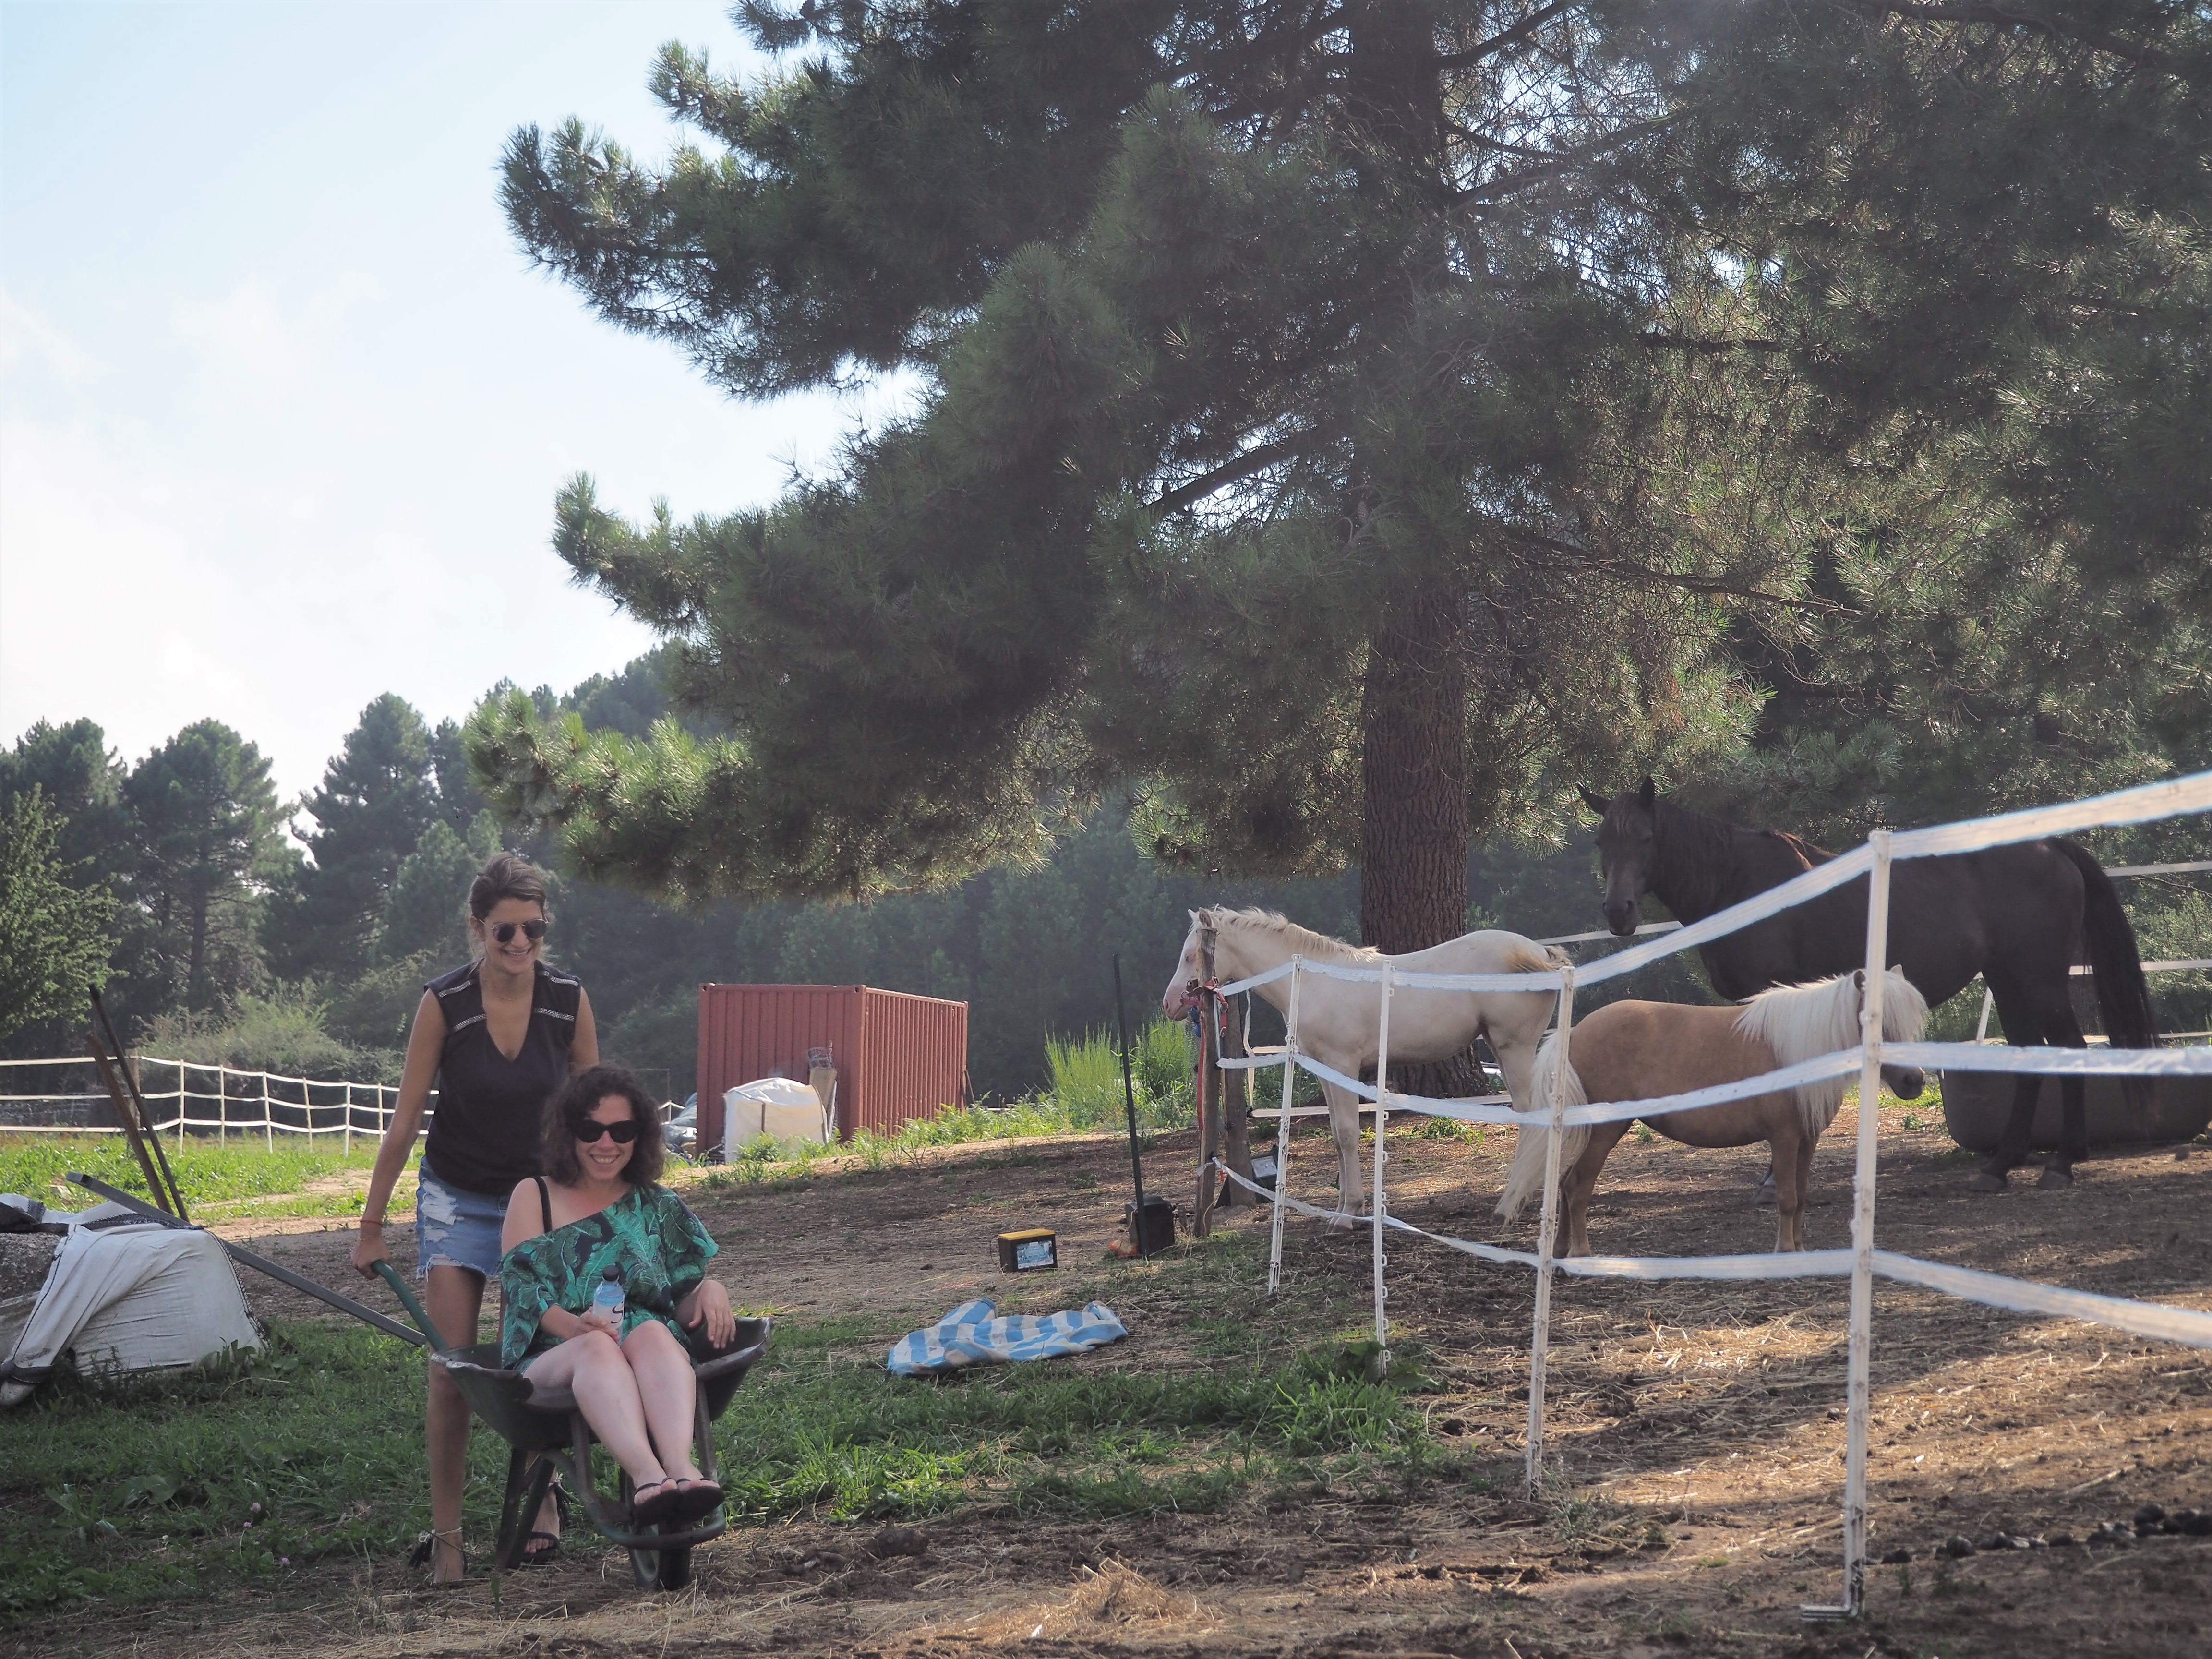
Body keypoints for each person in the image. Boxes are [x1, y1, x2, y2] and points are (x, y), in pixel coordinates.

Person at [349, 852, 596, 1581]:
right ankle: (450, 1539)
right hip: (458, 1197)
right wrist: (371, 1226)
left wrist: (598, 1209)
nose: (521, 944)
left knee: (540, 1363)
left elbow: (594, 1115)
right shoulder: (445, 1003)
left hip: (542, 1202)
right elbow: (403, 1123)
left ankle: (544, 1499)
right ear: (477, 929)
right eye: (505, 932)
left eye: (534, 929)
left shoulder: (566, 1001)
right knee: (452, 1371)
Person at [499, 1066, 735, 1527]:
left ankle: (680, 1469)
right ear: (569, 1132)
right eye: (591, 1130)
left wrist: (711, 1288)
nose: (606, 1145)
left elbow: (678, 1307)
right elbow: (522, 1291)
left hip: (640, 1343)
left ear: (640, 1136)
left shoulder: (656, 1205)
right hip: (554, 1350)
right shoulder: (535, 1196)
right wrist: (574, 1328)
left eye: (621, 1131)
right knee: (597, 1346)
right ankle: (648, 1477)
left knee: (650, 1329)